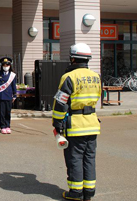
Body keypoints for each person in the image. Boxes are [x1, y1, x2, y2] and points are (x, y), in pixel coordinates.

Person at [52, 43, 101, 201]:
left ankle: (75, 193)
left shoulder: (68, 77)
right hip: (92, 124)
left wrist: (57, 123)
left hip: (75, 126)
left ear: (72, 59)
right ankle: (89, 193)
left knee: (75, 159)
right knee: (89, 159)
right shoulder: (96, 76)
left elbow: (61, 103)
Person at [0, 57, 17, 134]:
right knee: (2, 112)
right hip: (1, 96)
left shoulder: (12, 75)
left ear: (10, 66)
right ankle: (2, 126)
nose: (6, 66)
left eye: (7, 65)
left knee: (8, 112)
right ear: (2, 66)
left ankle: (8, 126)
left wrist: (15, 95)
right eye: (4, 65)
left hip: (9, 95)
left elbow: (13, 86)